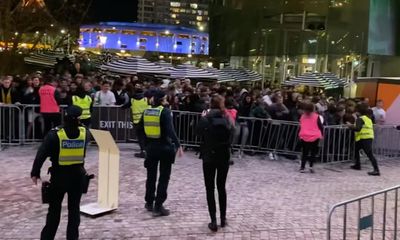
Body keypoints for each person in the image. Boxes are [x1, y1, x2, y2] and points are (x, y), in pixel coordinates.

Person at [30, 105, 91, 240]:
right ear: (79, 118)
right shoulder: (85, 133)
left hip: (59, 178)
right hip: (77, 177)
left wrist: (35, 172)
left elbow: (42, 153)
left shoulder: (55, 134)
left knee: (54, 212)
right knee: (74, 211)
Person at [137, 89, 183, 217]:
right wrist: (178, 144)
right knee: (164, 177)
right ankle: (158, 206)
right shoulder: (165, 112)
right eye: (165, 99)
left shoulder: (146, 112)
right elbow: (170, 130)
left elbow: (139, 129)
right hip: (164, 147)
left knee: (150, 176)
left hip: (151, 147)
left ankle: (149, 202)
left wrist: (145, 144)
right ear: (162, 100)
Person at [196, 95, 234, 232]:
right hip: (223, 156)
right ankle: (223, 219)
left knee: (210, 188)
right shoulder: (227, 118)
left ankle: (213, 220)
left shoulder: (206, 118)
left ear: (211, 104)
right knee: (221, 187)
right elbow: (232, 134)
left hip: (209, 156)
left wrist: (202, 117)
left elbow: (197, 132)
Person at [347, 103, 380, 176]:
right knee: (356, 150)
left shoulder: (360, 118)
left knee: (369, 154)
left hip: (364, 138)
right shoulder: (367, 118)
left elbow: (358, 128)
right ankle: (357, 165)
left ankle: (376, 170)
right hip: (366, 138)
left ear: (359, 111)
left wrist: (350, 126)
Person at [123, 84, 150, 158]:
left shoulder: (132, 99)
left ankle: (143, 151)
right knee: (146, 136)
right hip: (146, 121)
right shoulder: (146, 99)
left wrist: (121, 107)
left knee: (140, 137)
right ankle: (147, 150)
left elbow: (125, 106)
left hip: (137, 122)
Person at [298, 102, 323, 173]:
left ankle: (302, 167)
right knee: (313, 152)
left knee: (304, 152)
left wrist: (299, 135)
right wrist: (322, 134)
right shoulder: (316, 116)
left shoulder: (302, 116)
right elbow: (320, 126)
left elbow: (301, 125)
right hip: (315, 135)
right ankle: (311, 167)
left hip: (304, 135)